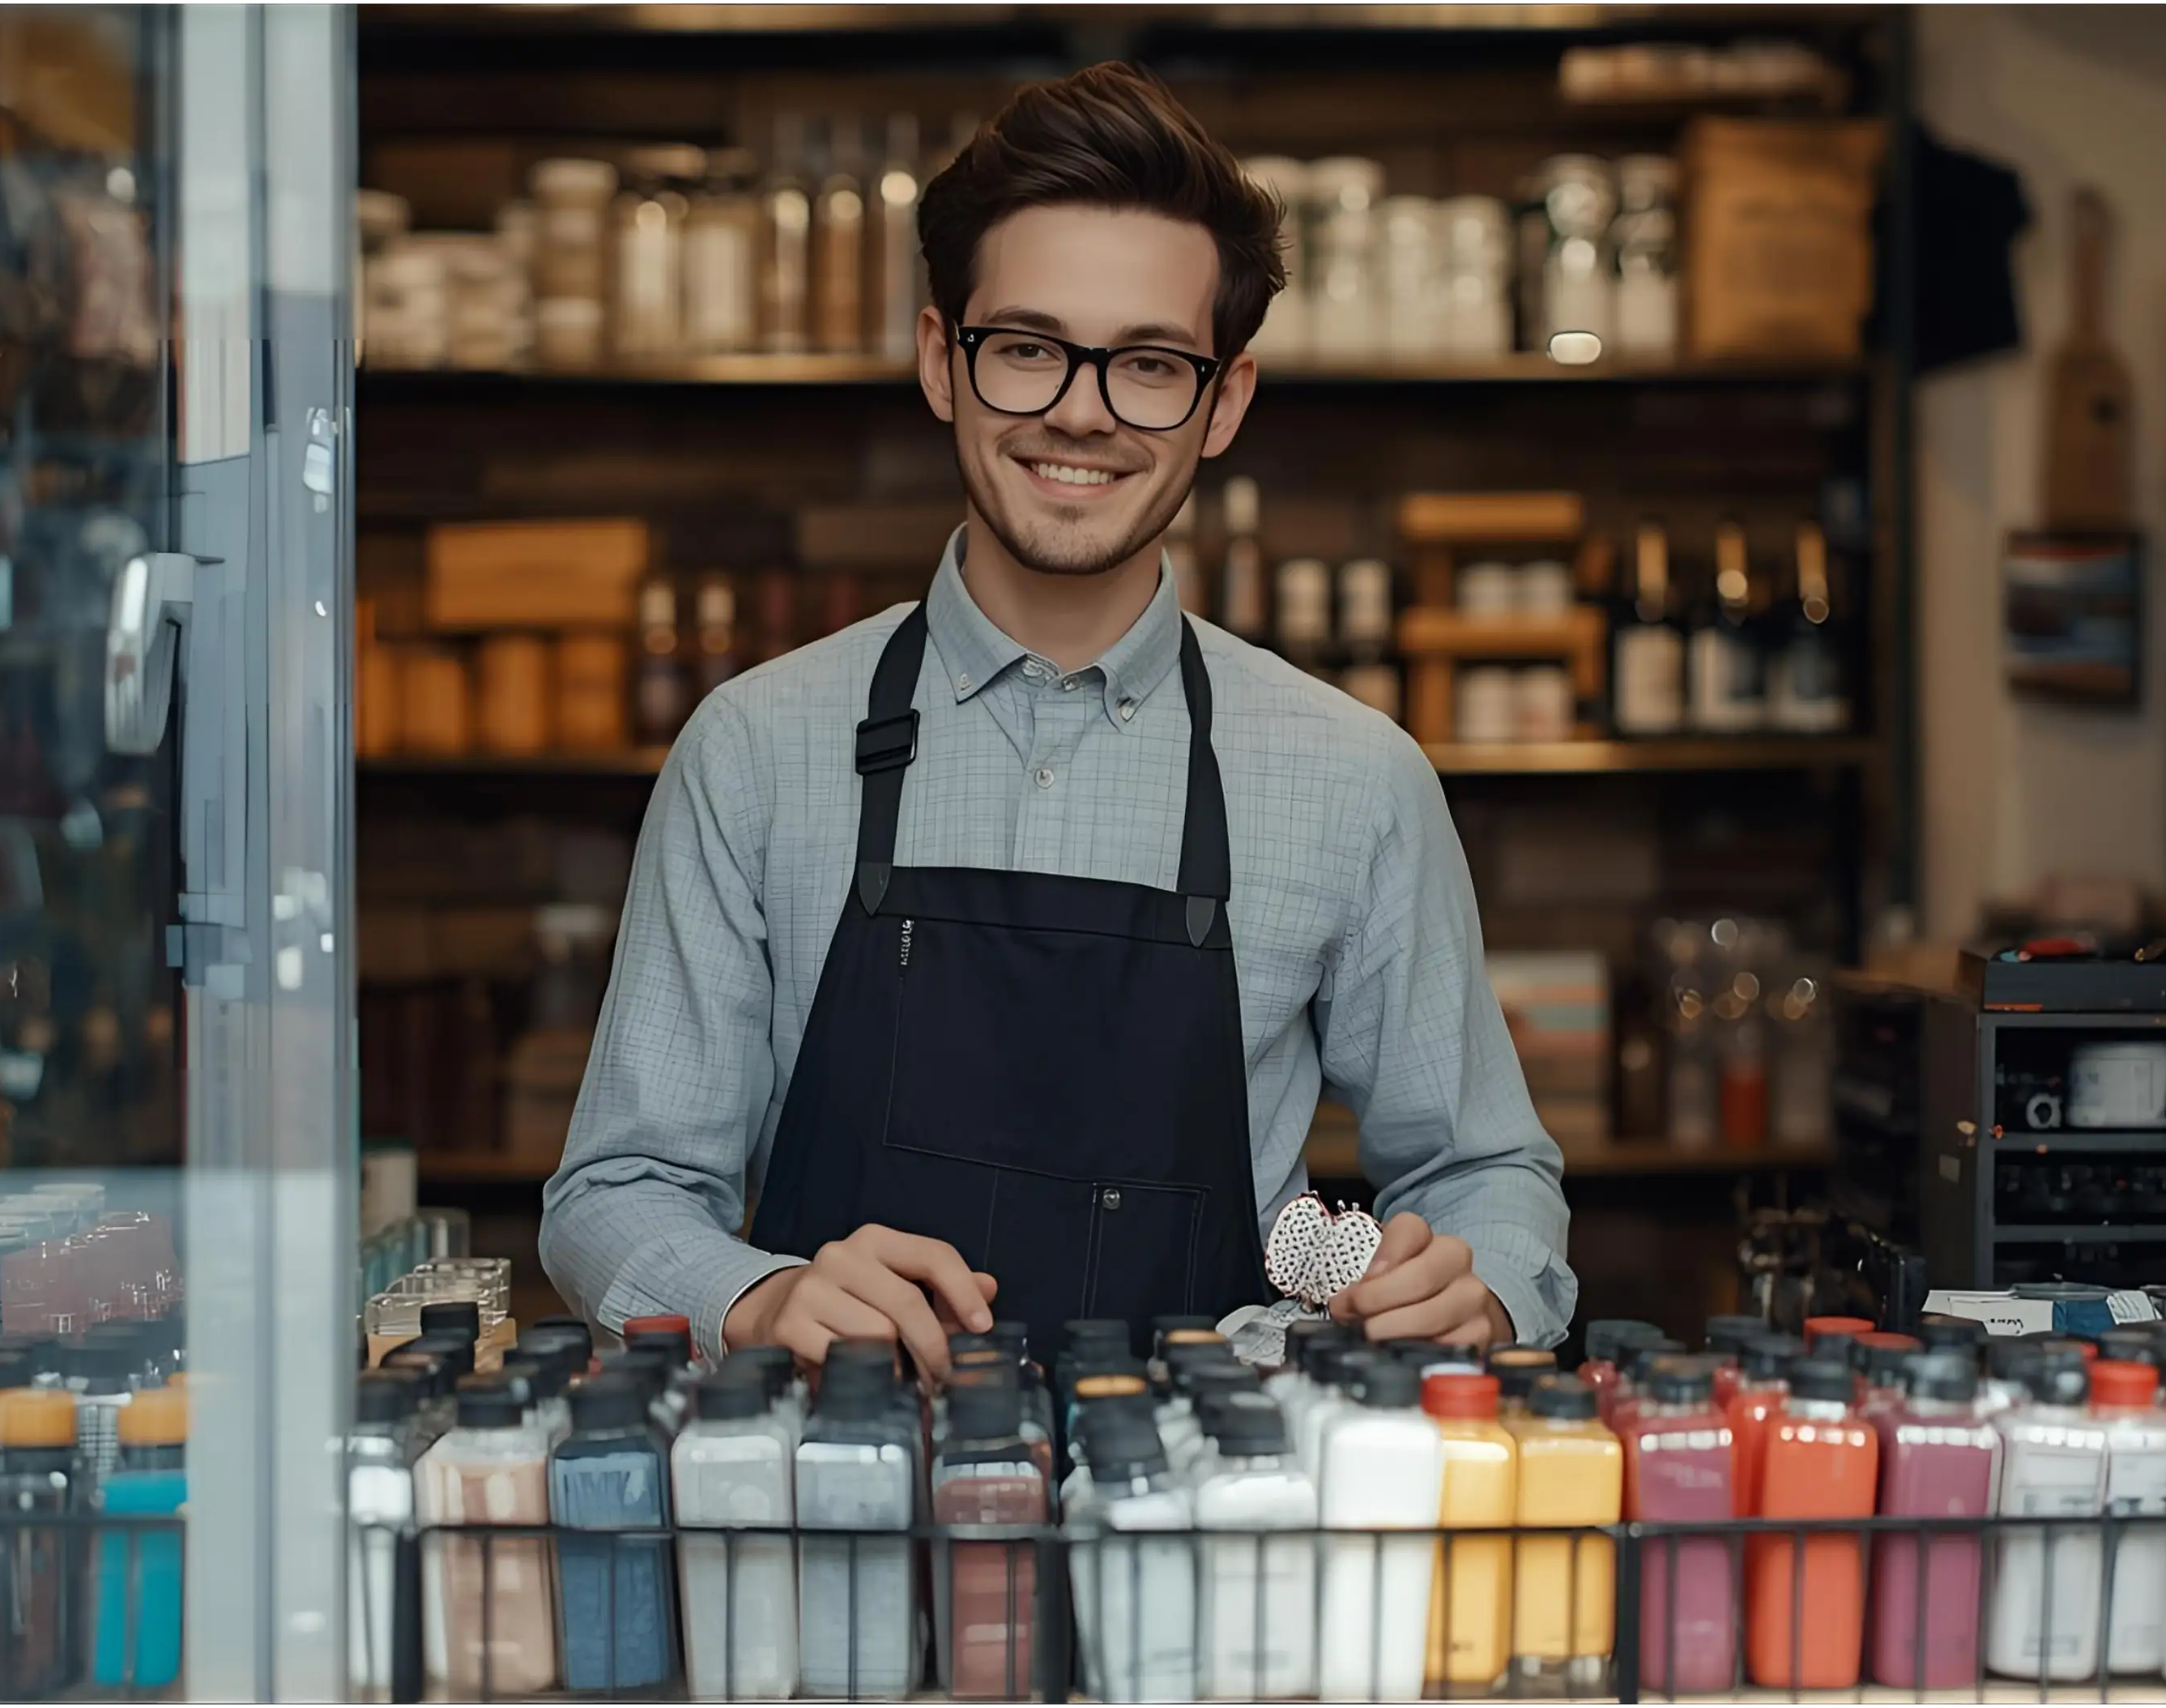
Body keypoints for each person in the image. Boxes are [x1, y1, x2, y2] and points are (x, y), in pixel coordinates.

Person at [543, 63, 1574, 1376]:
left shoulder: (1351, 776)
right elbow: (616, 1192)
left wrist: (1462, 1287)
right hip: (832, 1511)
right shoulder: (752, 750)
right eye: (1027, 348)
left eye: (1148, 364)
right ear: (940, 361)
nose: (1080, 410)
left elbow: (1475, 1166)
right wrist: (756, 1300)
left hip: (1218, 1519)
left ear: (1225, 403)